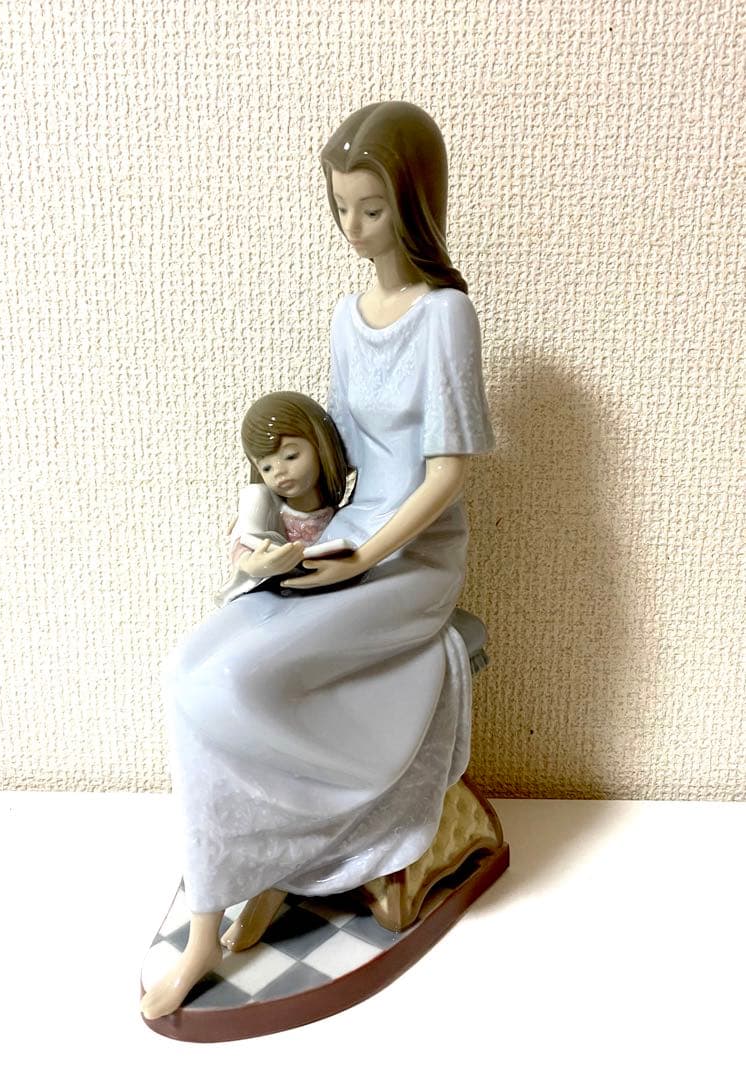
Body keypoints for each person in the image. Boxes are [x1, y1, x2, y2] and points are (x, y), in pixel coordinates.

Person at [140, 101, 495, 1020]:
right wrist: (280, 526)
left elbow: (448, 473)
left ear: (414, 204)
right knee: (189, 668)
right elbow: (338, 455)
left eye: (372, 208)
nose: (354, 227)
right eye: (341, 207)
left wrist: (364, 555)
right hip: (342, 536)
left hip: (411, 560)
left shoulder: (446, 317)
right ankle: (252, 868)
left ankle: (242, 901)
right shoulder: (346, 317)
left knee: (238, 681)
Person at [214, 391, 356, 607]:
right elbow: (244, 543)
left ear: (320, 446)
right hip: (275, 601)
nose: (279, 471)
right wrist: (254, 565)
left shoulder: (344, 515)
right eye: (266, 467)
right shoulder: (263, 505)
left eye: (291, 456)